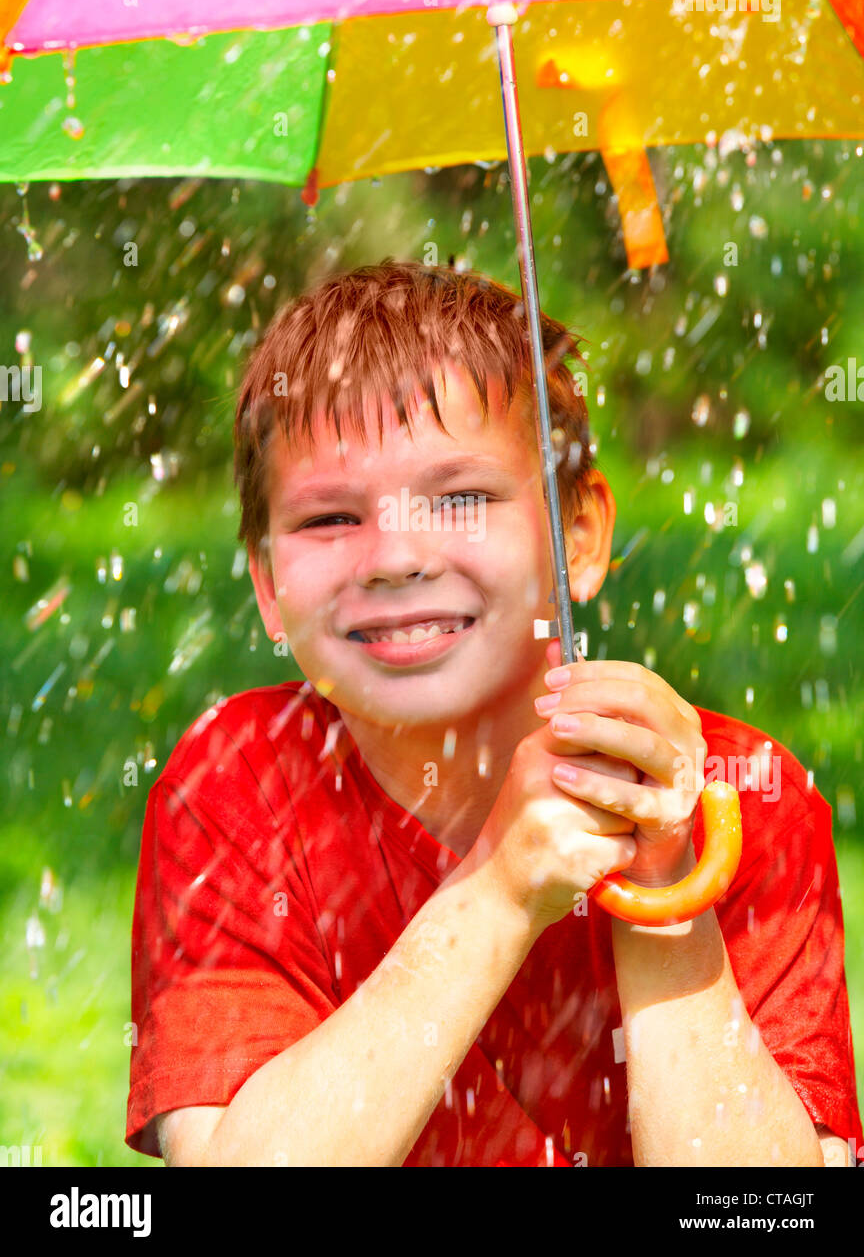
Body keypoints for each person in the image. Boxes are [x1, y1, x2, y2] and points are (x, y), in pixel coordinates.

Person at [126, 260, 861, 1166]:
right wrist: (500, 891)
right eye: (328, 520)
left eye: (462, 497)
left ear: (579, 537)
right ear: (270, 585)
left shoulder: (735, 800)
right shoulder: (235, 785)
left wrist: (667, 887)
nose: (395, 556)